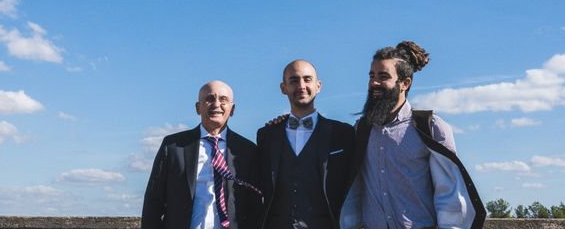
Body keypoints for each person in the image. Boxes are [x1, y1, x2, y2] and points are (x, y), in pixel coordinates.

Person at [343, 41, 485, 229]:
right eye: (372, 76)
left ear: (405, 83)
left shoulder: (431, 128)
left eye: (383, 76)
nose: (374, 83)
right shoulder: (360, 131)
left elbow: (449, 195)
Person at [142, 80, 262, 229]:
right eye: (209, 99)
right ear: (198, 108)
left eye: (223, 99)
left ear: (232, 109)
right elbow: (153, 202)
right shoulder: (173, 146)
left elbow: (255, 207)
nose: (216, 104)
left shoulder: (248, 150)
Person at [257, 59, 355, 229]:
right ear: (283, 88)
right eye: (294, 80)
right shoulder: (267, 135)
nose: (301, 85)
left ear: (318, 86)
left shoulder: (343, 133)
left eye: (307, 79)